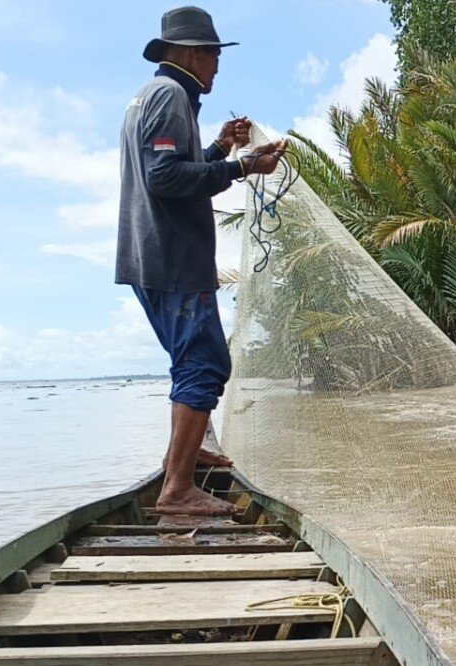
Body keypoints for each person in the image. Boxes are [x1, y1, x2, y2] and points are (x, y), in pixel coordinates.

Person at [116, 6, 286, 516]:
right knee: (206, 363)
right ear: (192, 54)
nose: (218, 67)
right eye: (214, 56)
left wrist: (219, 147)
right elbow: (164, 178)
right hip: (172, 256)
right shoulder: (170, 97)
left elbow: (174, 167)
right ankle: (178, 488)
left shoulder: (156, 97)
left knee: (192, 362)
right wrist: (242, 166)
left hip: (155, 256)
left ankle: (182, 458)